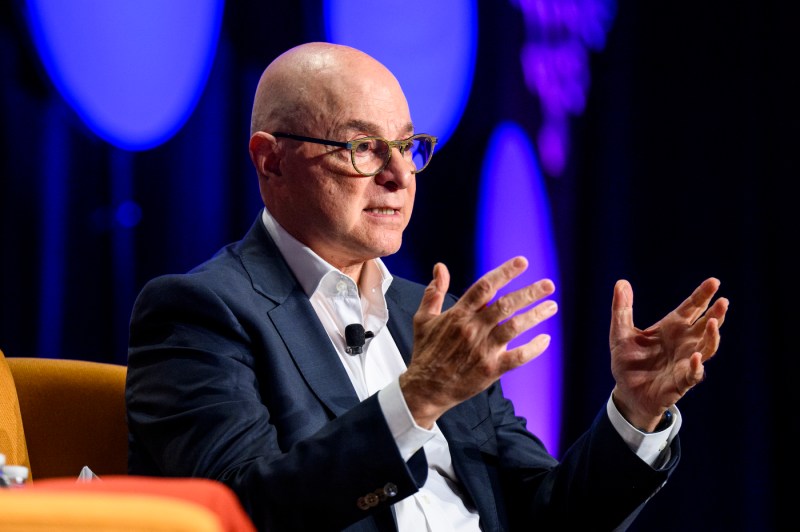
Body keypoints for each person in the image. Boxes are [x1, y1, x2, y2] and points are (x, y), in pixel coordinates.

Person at [125, 42, 729, 532]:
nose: (397, 175)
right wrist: (415, 401)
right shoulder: (200, 311)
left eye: (408, 147)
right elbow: (241, 513)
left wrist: (635, 413)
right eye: (362, 147)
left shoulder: (427, 317)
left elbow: (548, 514)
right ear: (271, 160)